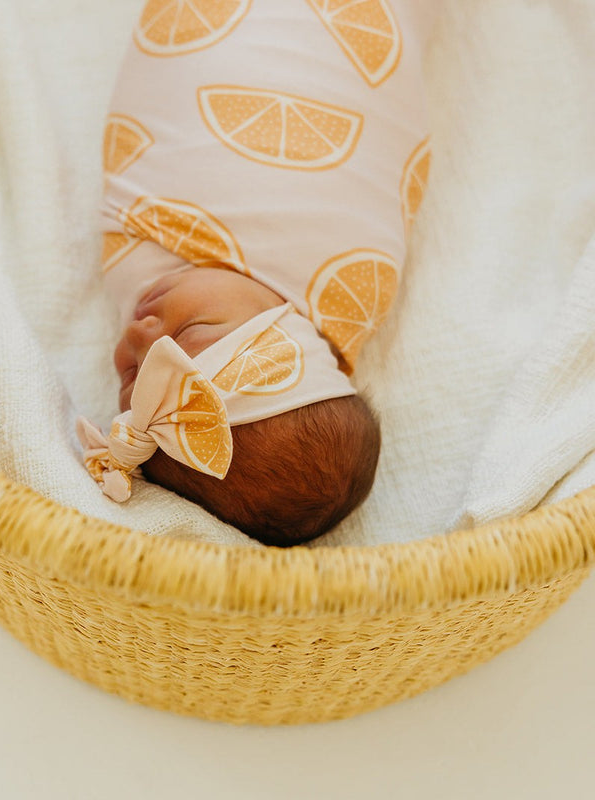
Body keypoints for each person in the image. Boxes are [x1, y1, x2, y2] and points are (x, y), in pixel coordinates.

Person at [78, 0, 435, 546]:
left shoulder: (144, 273)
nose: (139, 334)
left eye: (131, 379)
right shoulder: (344, 285)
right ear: (287, 329)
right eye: (191, 334)